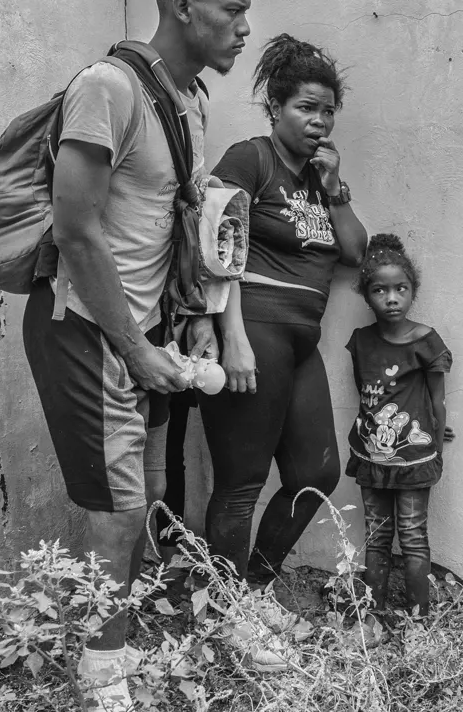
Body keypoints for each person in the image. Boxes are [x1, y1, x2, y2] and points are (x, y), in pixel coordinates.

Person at [20, 0, 250, 712]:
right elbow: (78, 230)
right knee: (119, 513)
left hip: (144, 331)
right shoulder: (107, 88)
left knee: (142, 492)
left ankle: (111, 641)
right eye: (232, 10)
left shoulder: (191, 103)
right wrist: (132, 347)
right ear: (183, 7)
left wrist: (197, 326)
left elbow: (175, 229)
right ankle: (103, 681)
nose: (243, 28)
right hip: (84, 326)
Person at [199, 34, 368, 585]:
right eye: (305, 108)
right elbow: (214, 244)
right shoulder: (252, 158)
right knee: (242, 481)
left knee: (317, 471)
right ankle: (225, 612)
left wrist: (335, 187)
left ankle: (251, 588)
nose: (319, 121)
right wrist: (233, 336)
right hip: (255, 330)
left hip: (300, 341)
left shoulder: (320, 181)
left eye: (327, 111)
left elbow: (355, 252)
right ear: (275, 107)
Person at [344, 234, 454, 616]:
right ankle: (371, 616)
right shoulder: (360, 341)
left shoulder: (426, 341)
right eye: (380, 290)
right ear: (366, 295)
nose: (391, 298)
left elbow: (438, 402)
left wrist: (436, 444)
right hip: (371, 455)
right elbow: (366, 393)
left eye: (400, 289)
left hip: (412, 461)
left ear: (412, 291)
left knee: (412, 536)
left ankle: (417, 619)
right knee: (376, 536)